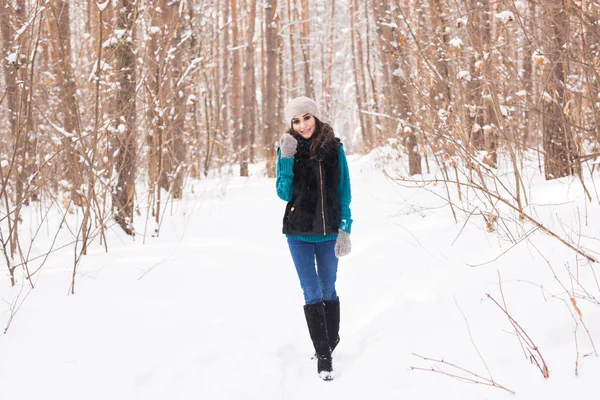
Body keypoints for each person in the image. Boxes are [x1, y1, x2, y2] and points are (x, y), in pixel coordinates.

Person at [275, 96, 353, 381]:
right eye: (296, 121)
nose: (302, 124)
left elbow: (344, 190)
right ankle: (324, 356)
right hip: (298, 233)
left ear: (316, 117)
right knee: (312, 292)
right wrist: (286, 159)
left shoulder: (334, 149)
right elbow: (284, 193)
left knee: (328, 288)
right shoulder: (288, 148)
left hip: (329, 231)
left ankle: (331, 342)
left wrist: (345, 227)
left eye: (306, 117)